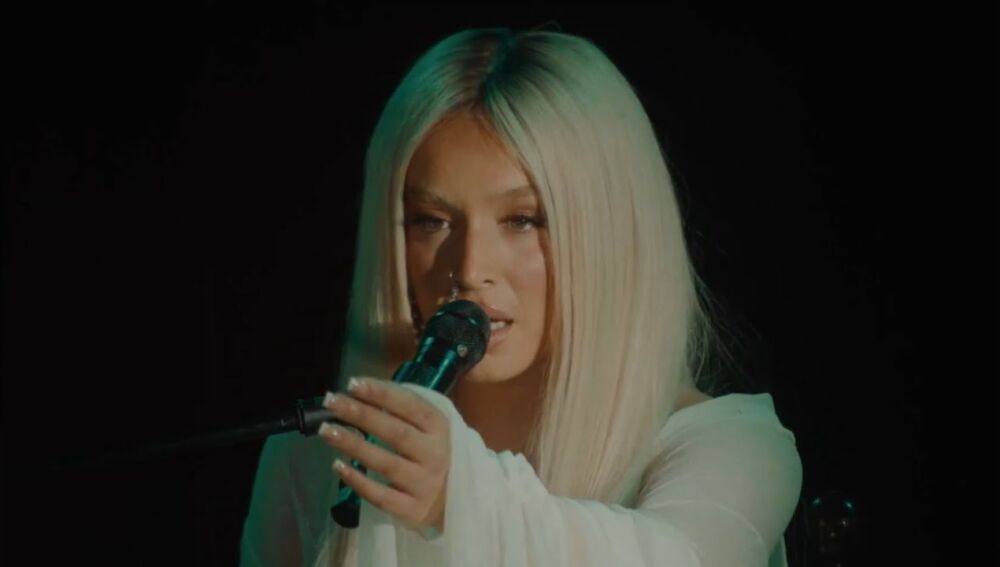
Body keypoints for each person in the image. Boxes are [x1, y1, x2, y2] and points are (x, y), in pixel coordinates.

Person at [239, 26, 803, 567]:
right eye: (431, 220)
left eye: (523, 219)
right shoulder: (314, 460)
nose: (470, 269)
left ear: (609, 234)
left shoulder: (735, 448)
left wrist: (460, 497)